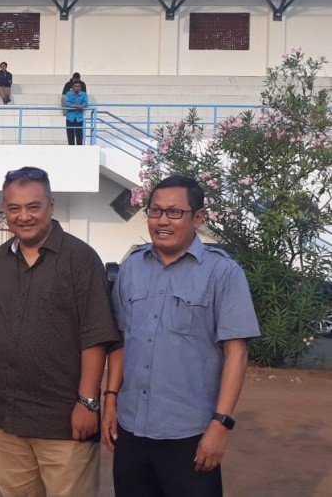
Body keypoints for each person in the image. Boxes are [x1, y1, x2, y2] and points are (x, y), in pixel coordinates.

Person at [102, 175, 260, 497]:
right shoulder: (131, 268)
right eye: (155, 211)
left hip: (189, 435)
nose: (162, 221)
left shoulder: (223, 273)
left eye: (174, 213)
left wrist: (220, 425)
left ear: (198, 218)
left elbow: (236, 354)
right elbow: (121, 340)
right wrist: (111, 399)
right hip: (132, 429)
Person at [0, 166, 120, 497]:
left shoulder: (80, 260)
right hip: (8, 418)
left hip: (64, 421)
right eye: (14, 208)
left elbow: (96, 334)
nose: (23, 216)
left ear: (51, 205)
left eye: (33, 206)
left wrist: (88, 402)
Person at [63, 79, 89, 145]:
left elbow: (85, 104)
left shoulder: (84, 94)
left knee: (79, 137)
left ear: (80, 87)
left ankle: (79, 153)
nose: (77, 88)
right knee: (70, 137)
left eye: (78, 86)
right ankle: (71, 153)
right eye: (75, 86)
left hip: (79, 118)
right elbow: (67, 104)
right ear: (72, 87)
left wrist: (74, 106)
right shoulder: (68, 93)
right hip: (70, 118)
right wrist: (79, 106)